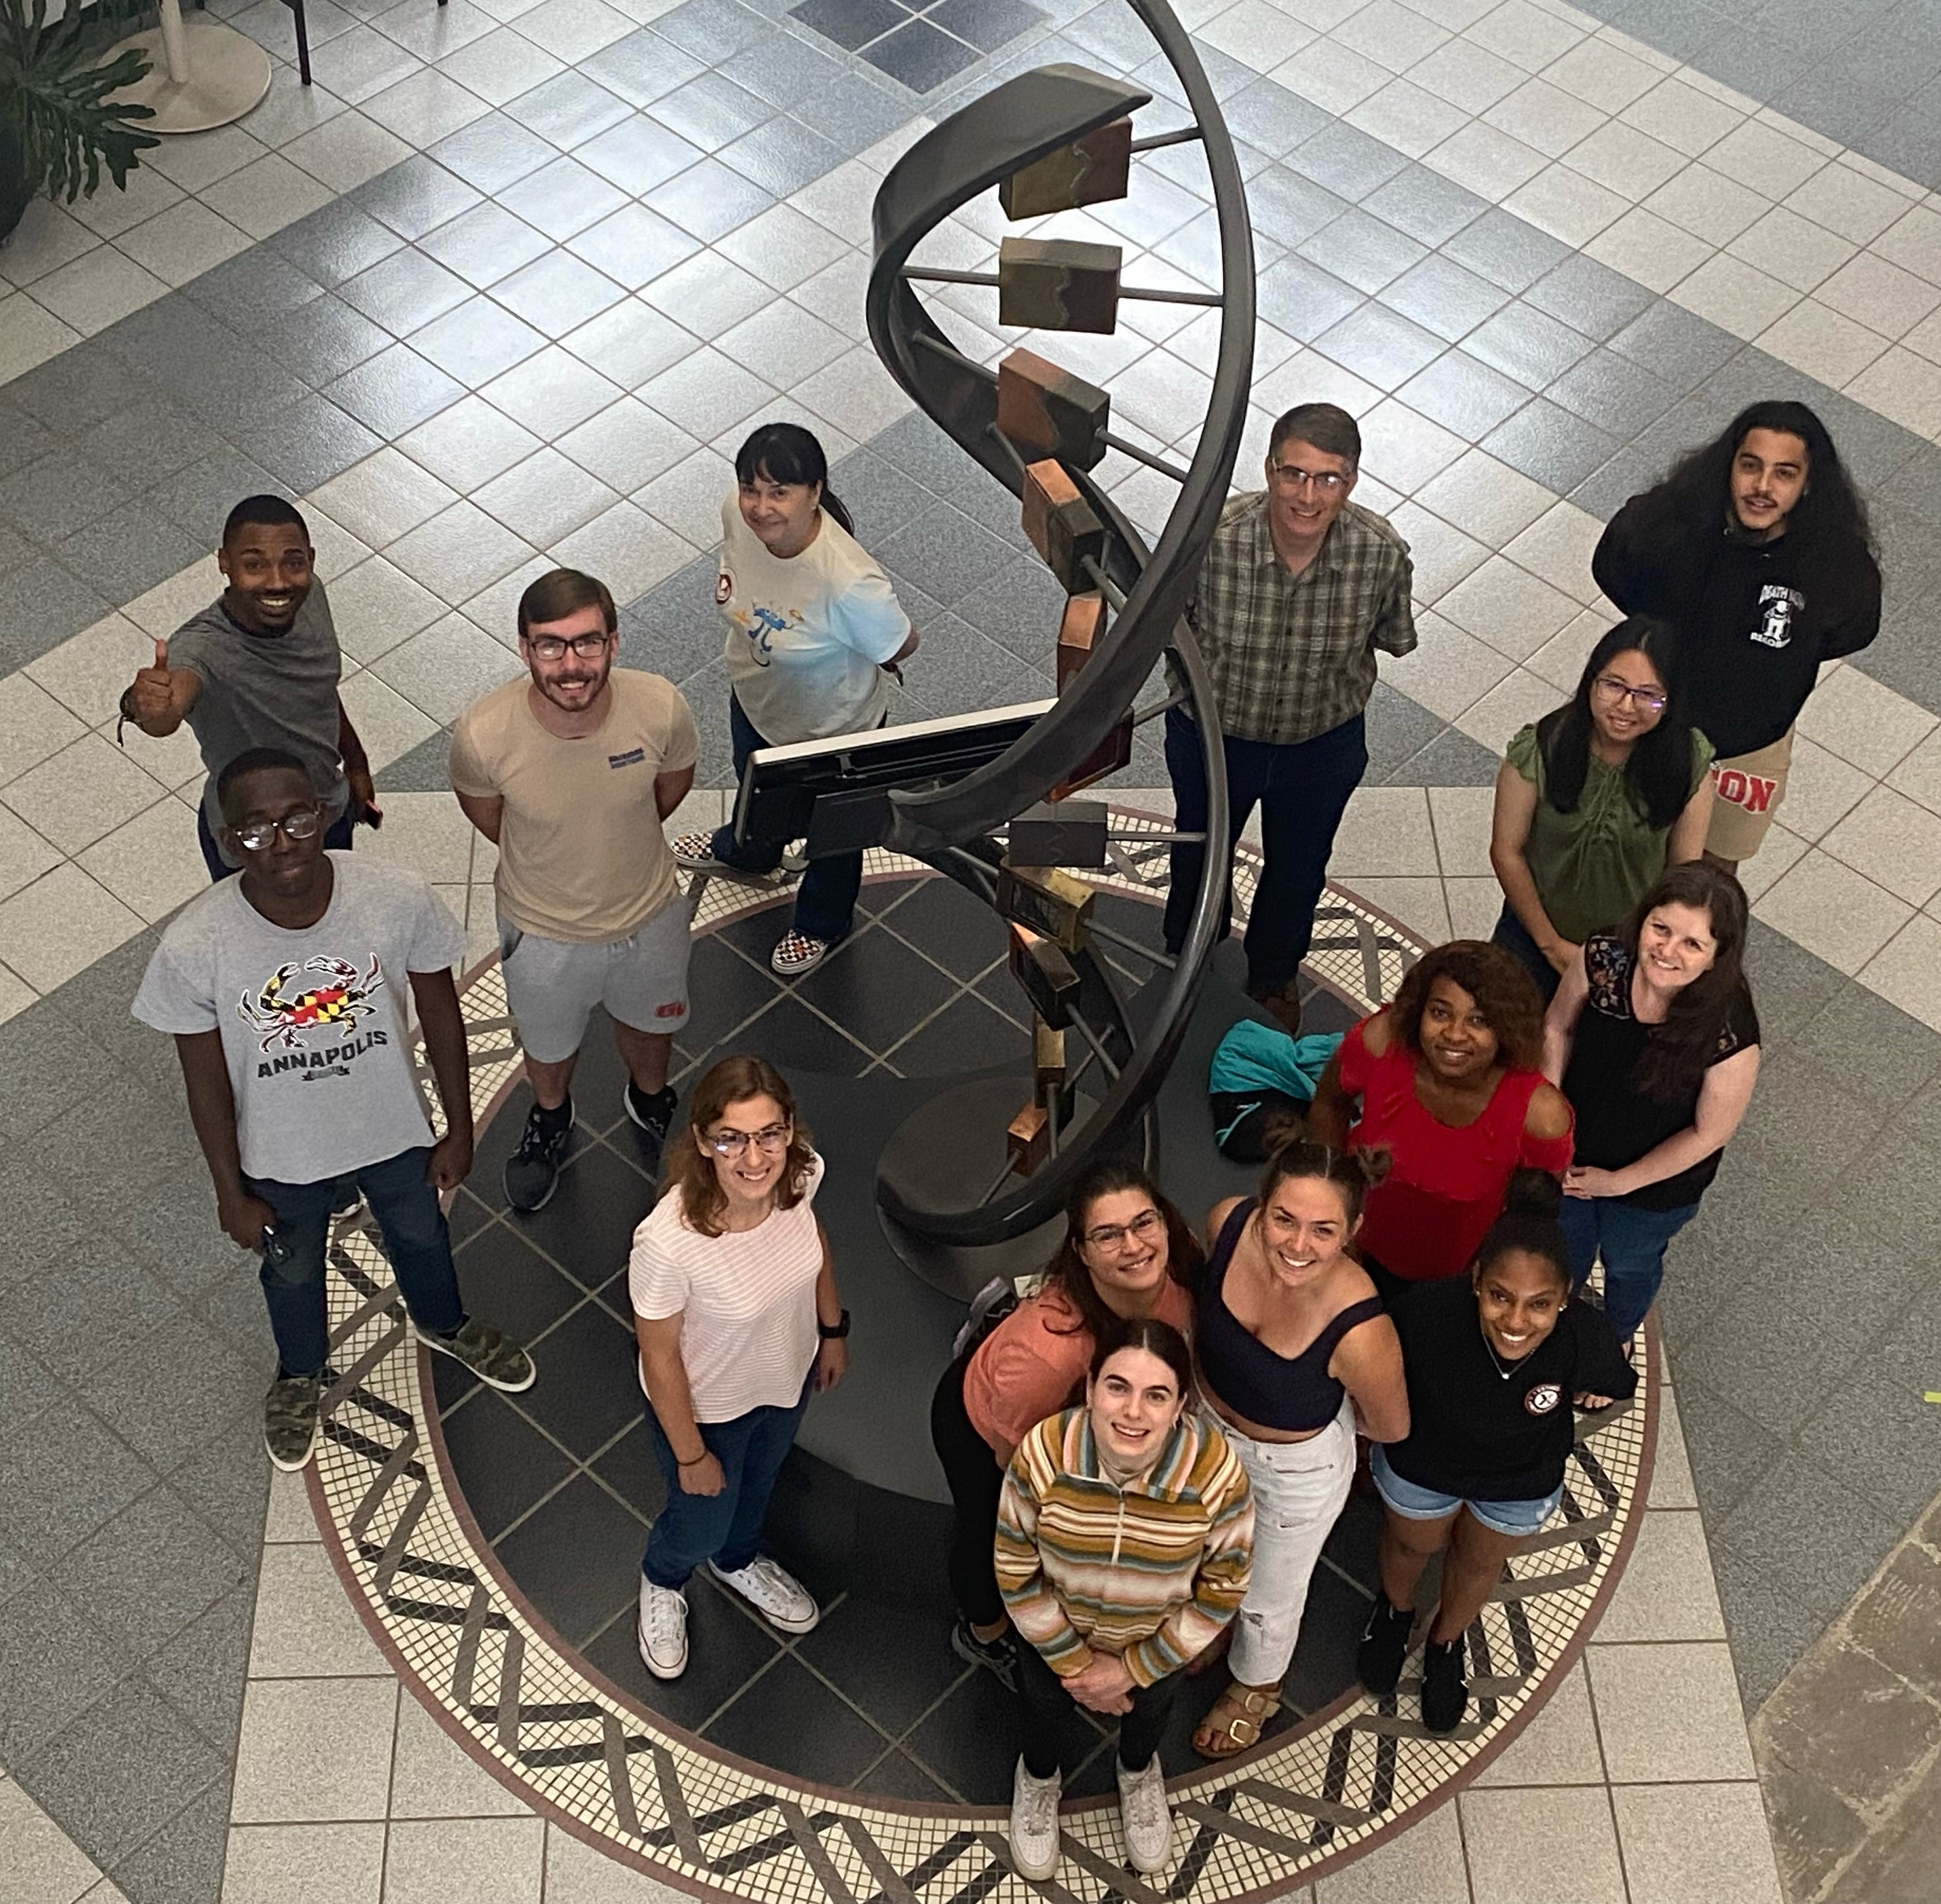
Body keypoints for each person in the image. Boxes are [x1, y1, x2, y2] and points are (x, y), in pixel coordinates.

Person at [132, 747, 535, 1471]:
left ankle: (444, 1322)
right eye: (254, 830)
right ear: (226, 841)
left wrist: (460, 1126)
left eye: (295, 818)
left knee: (420, 1235)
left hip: (393, 1131)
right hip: (282, 1155)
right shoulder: (196, 945)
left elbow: (443, 1016)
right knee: (289, 1271)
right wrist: (230, 1191)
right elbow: (204, 1082)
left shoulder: (395, 895)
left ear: (324, 812)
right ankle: (298, 1373)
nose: (280, 842)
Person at [450, 569, 699, 1212]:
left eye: (586, 643)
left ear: (614, 642)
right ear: (524, 648)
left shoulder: (659, 706)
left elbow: (666, 792)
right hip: (541, 932)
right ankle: (551, 1118)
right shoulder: (484, 734)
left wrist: (608, 835)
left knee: (651, 1027)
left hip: (649, 916)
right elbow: (489, 815)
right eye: (550, 645)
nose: (570, 665)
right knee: (548, 1044)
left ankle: (649, 1100)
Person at [1163, 403, 1416, 1033]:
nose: (1308, 496)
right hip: (1214, 739)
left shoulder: (1379, 553)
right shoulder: (1210, 537)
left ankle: (1274, 973)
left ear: (1351, 481)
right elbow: (1167, 628)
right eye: (1293, 474)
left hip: (1320, 746)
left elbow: (1389, 634)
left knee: (1299, 869)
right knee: (1199, 849)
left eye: (1328, 478)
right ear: (1269, 470)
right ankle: (1188, 950)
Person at [1356, 1175, 1635, 1733]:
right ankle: (1394, 1612)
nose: (1515, 1320)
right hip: (1423, 1464)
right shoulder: (1426, 1314)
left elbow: (1615, 1381)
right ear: (1477, 1279)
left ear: (1566, 1296)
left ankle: (1445, 1643)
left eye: (1540, 1304)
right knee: (1411, 1544)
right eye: (1500, 1296)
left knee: (1480, 1561)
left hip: (1518, 1480)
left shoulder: (1583, 1336)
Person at [996, 1318, 1253, 1880]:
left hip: (1156, 1644)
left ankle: (1138, 1772)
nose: (1133, 1412)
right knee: (1041, 1710)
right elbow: (1016, 1568)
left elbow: (1223, 1587)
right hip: (1052, 1641)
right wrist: (1078, 1665)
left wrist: (1134, 1668)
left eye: (1156, 1394)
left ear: (1181, 1404)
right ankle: (1038, 1779)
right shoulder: (1044, 1454)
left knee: (1151, 1713)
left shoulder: (1215, 1474)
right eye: (1118, 1386)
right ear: (1090, 1387)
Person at [930, 1162, 1202, 1688]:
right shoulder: (1050, 1356)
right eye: (1109, 1234)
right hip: (987, 1425)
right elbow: (1017, 1470)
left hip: (1065, 1404)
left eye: (1144, 1223)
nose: (1135, 1245)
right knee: (988, 1532)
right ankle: (983, 1634)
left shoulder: (1181, 1260)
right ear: (1081, 1250)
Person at [628, 1056, 849, 1680]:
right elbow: (660, 1354)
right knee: (697, 1520)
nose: (755, 1158)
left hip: (785, 1380)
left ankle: (737, 1559)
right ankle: (664, 1576)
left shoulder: (799, 1174)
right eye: (731, 1138)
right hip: (709, 1410)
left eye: (768, 1134)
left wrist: (832, 1329)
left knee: (757, 1489)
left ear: (788, 1131)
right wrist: (692, 1453)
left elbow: (813, 1241)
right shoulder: (668, 1245)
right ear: (703, 1142)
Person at [673, 423, 920, 977]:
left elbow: (901, 641)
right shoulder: (736, 517)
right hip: (757, 702)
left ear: (815, 491)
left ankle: (821, 923)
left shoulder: (849, 581)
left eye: (779, 492)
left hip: (833, 733)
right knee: (755, 790)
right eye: (751, 488)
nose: (761, 508)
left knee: (835, 836)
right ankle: (749, 851)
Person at [1592, 400, 1881, 873]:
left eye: (1784, 474)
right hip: (1648, 725)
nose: (1763, 487)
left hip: (1749, 750)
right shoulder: (1672, 531)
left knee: (1708, 875)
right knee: (1615, 849)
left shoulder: (1832, 566)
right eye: (1751, 466)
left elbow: (1849, 627)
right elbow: (1616, 566)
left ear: (1808, 484)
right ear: (1729, 466)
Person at [1190, 1140, 1410, 1757]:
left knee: (1268, 1594)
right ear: (1258, 1206)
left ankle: (1258, 1681)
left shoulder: (1362, 1329)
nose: (1296, 1245)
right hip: (1204, 1430)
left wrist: (1313, 1415)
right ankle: (1214, 1619)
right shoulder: (1225, 1225)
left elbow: (1389, 1426)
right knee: (1204, 1545)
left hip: (1289, 1468)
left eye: (1323, 1229)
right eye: (1283, 1219)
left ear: (1354, 1229)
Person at [1542, 864, 1760, 1352]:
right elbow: (1557, 1027)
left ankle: (1614, 1337)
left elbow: (1709, 1133)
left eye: (1692, 944)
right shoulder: (1603, 958)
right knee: (1562, 1251)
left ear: (1715, 958)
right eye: (1661, 928)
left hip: (1653, 1189)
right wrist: (1551, 1118)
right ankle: (1554, 1325)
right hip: (1574, 1152)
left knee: (1629, 1263)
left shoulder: (1730, 1030)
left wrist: (1618, 1182)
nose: (1667, 951)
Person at [118, 495, 381, 882]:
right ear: (224, 562)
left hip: (325, 814)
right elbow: (165, 715)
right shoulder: (202, 649)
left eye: (293, 562)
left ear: (310, 558)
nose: (277, 582)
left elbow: (320, 691)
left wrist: (355, 763)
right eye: (254, 565)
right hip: (253, 844)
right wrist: (145, 705)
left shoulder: (308, 598)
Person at [1306, 943, 1574, 1294]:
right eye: (1441, 1013)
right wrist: (1329, 1212)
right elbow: (1329, 1104)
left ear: (1506, 1028)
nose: (1455, 1034)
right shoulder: (1383, 1041)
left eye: (1478, 1020)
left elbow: (1535, 1213)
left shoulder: (1540, 1114)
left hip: (1456, 1279)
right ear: (1419, 1012)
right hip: (1354, 1244)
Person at [1490, 617, 1715, 1003]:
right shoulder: (1543, 747)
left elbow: (1683, 876)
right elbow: (1506, 850)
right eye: (1614, 685)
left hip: (1630, 948)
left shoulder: (1687, 762)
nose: (1626, 706)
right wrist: (1551, 945)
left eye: (1649, 695)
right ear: (1590, 681)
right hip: (1531, 933)